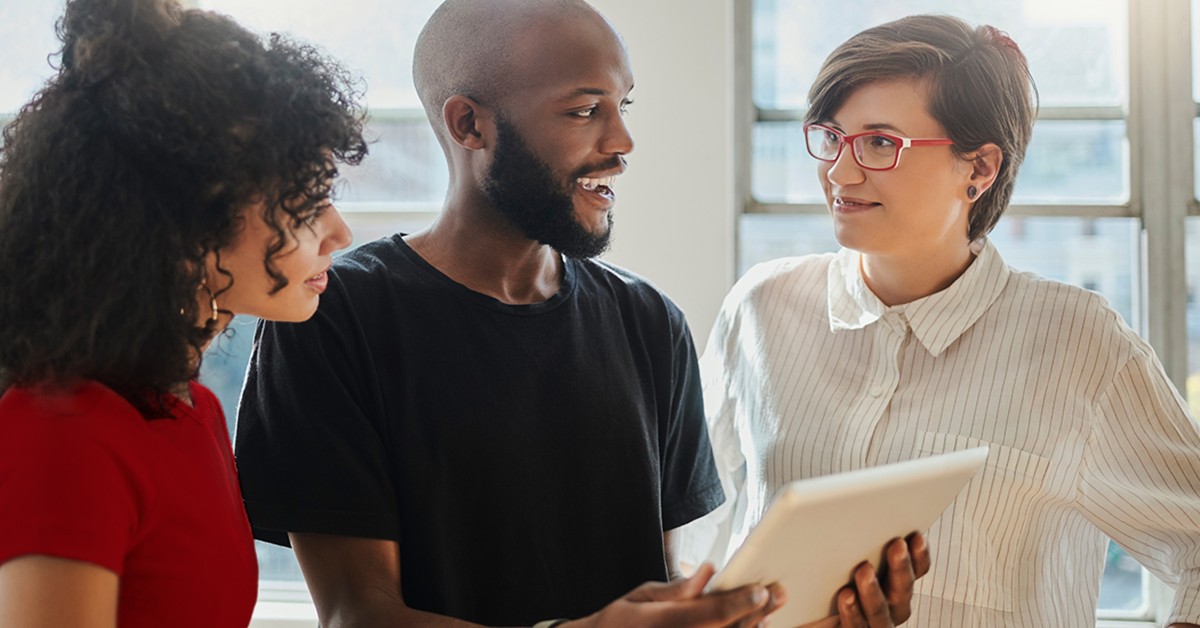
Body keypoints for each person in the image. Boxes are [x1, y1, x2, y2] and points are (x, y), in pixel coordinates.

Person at [233, 0, 929, 626]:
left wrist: (798, 614)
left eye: (625, 106)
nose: (621, 142)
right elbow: (361, 615)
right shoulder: (337, 313)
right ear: (469, 123)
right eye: (584, 110)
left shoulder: (650, 322)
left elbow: (650, 590)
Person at [680, 13, 1200, 628]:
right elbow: (689, 536)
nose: (841, 175)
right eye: (831, 136)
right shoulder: (762, 308)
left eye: (880, 143)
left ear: (979, 168)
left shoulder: (1077, 342)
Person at [0, 0, 364, 625]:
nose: (341, 232)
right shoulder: (60, 429)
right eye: (306, 206)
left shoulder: (195, 410)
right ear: (187, 233)